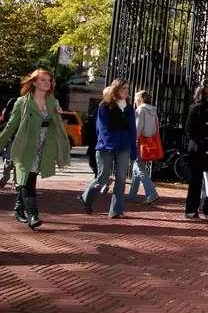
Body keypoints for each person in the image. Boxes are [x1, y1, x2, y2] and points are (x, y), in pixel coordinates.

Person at [0, 69, 71, 228]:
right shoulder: (22, 102)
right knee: (29, 180)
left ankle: (19, 208)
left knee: (29, 178)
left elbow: (57, 126)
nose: (47, 83)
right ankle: (33, 215)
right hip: (26, 146)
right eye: (43, 80)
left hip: (44, 147)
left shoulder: (53, 101)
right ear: (34, 82)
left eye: (49, 80)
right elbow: (11, 125)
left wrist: (58, 115)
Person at [79, 79, 137, 218]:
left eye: (127, 89)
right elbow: (102, 128)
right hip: (106, 147)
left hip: (124, 147)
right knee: (103, 177)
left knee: (121, 179)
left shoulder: (129, 108)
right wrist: (109, 143)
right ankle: (86, 197)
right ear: (116, 90)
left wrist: (133, 148)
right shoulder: (105, 106)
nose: (126, 91)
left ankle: (116, 210)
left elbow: (132, 130)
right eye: (123, 88)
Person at [185, 80, 208, 219]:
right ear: (202, 90)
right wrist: (206, 139)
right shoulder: (197, 107)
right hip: (198, 148)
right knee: (196, 180)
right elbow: (189, 130)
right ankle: (191, 209)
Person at [127, 90, 160, 204]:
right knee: (137, 167)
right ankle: (132, 195)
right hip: (149, 141)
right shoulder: (153, 110)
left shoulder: (140, 110)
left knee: (139, 167)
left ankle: (151, 193)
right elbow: (156, 128)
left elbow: (137, 127)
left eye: (136, 99)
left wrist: (133, 140)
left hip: (139, 141)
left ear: (139, 99)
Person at [0, 96, 18, 188]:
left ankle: (7, 180)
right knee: (13, 161)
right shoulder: (12, 113)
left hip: (12, 139)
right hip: (13, 139)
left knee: (10, 160)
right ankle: (13, 182)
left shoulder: (7, 112)